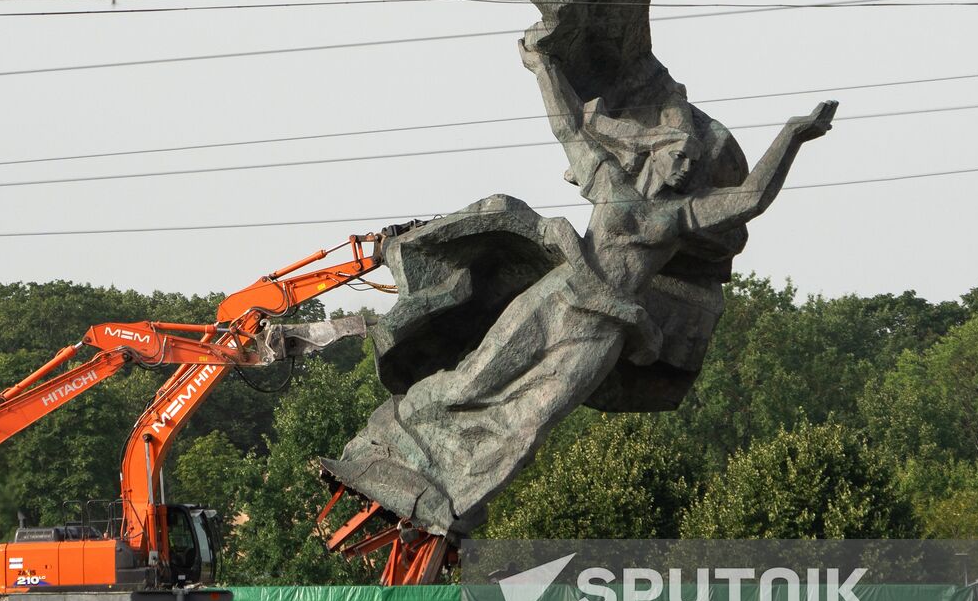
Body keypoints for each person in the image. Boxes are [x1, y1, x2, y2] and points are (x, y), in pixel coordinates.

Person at [321, 38, 838, 537]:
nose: (686, 168)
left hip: (600, 334)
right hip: (556, 303)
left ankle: (456, 497)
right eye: (679, 156)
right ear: (654, 153)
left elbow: (750, 198)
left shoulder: (680, 216)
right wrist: (542, 67)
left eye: (691, 162)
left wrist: (793, 135)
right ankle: (388, 444)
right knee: (472, 380)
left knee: (532, 421)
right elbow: (567, 125)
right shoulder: (610, 183)